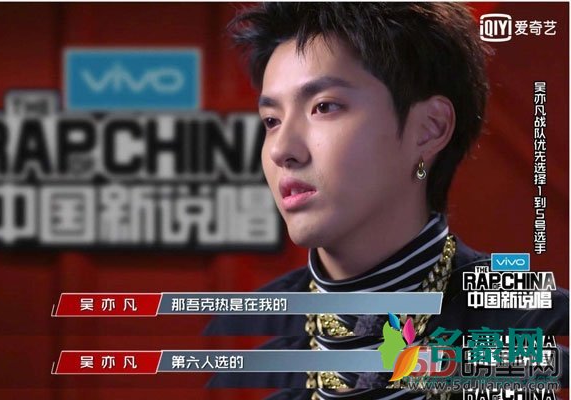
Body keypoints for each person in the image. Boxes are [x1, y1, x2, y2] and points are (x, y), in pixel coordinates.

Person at [204, 3, 569, 399]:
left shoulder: (522, 319)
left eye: (324, 107)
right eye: (271, 121)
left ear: (430, 128)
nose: (281, 150)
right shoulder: (264, 339)